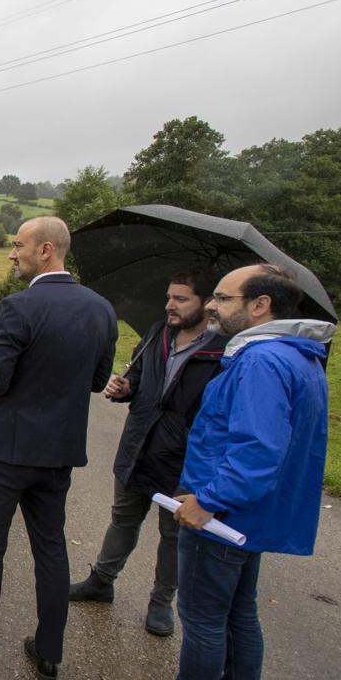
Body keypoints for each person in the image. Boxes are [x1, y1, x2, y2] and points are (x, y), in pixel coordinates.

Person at [117, 264, 333, 680]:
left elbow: (257, 450)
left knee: (203, 615)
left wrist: (208, 501)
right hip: (253, 515)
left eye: (223, 297)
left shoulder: (261, 361)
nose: (212, 306)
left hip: (225, 515)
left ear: (260, 306)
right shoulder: (297, 356)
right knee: (239, 613)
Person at [0, 216, 117, 680]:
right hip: (58, 455)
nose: (12, 253)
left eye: (18, 245)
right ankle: (48, 653)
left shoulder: (18, 308)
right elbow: (98, 382)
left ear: (46, 251)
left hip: (5, 454)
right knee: (52, 550)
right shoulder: (101, 309)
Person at [69, 268, 227, 636]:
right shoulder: (157, 334)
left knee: (173, 533)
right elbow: (137, 380)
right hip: (138, 444)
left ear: (205, 302)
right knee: (123, 517)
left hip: (183, 457)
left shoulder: (222, 351)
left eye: (181, 298)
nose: (170, 305)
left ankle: (160, 602)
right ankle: (101, 581)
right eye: (169, 297)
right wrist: (125, 389)